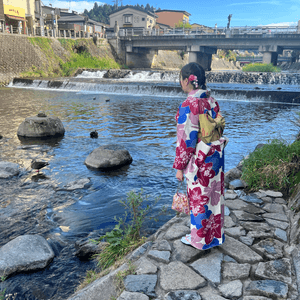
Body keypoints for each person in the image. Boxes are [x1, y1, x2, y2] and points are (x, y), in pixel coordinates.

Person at [173, 62, 228, 250]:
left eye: (181, 78)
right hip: (215, 156)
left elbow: (185, 140)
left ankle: (198, 240)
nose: (180, 82)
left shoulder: (189, 104)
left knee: (198, 200)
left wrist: (179, 167)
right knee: (213, 198)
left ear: (188, 81)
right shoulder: (211, 101)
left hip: (199, 159)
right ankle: (214, 237)